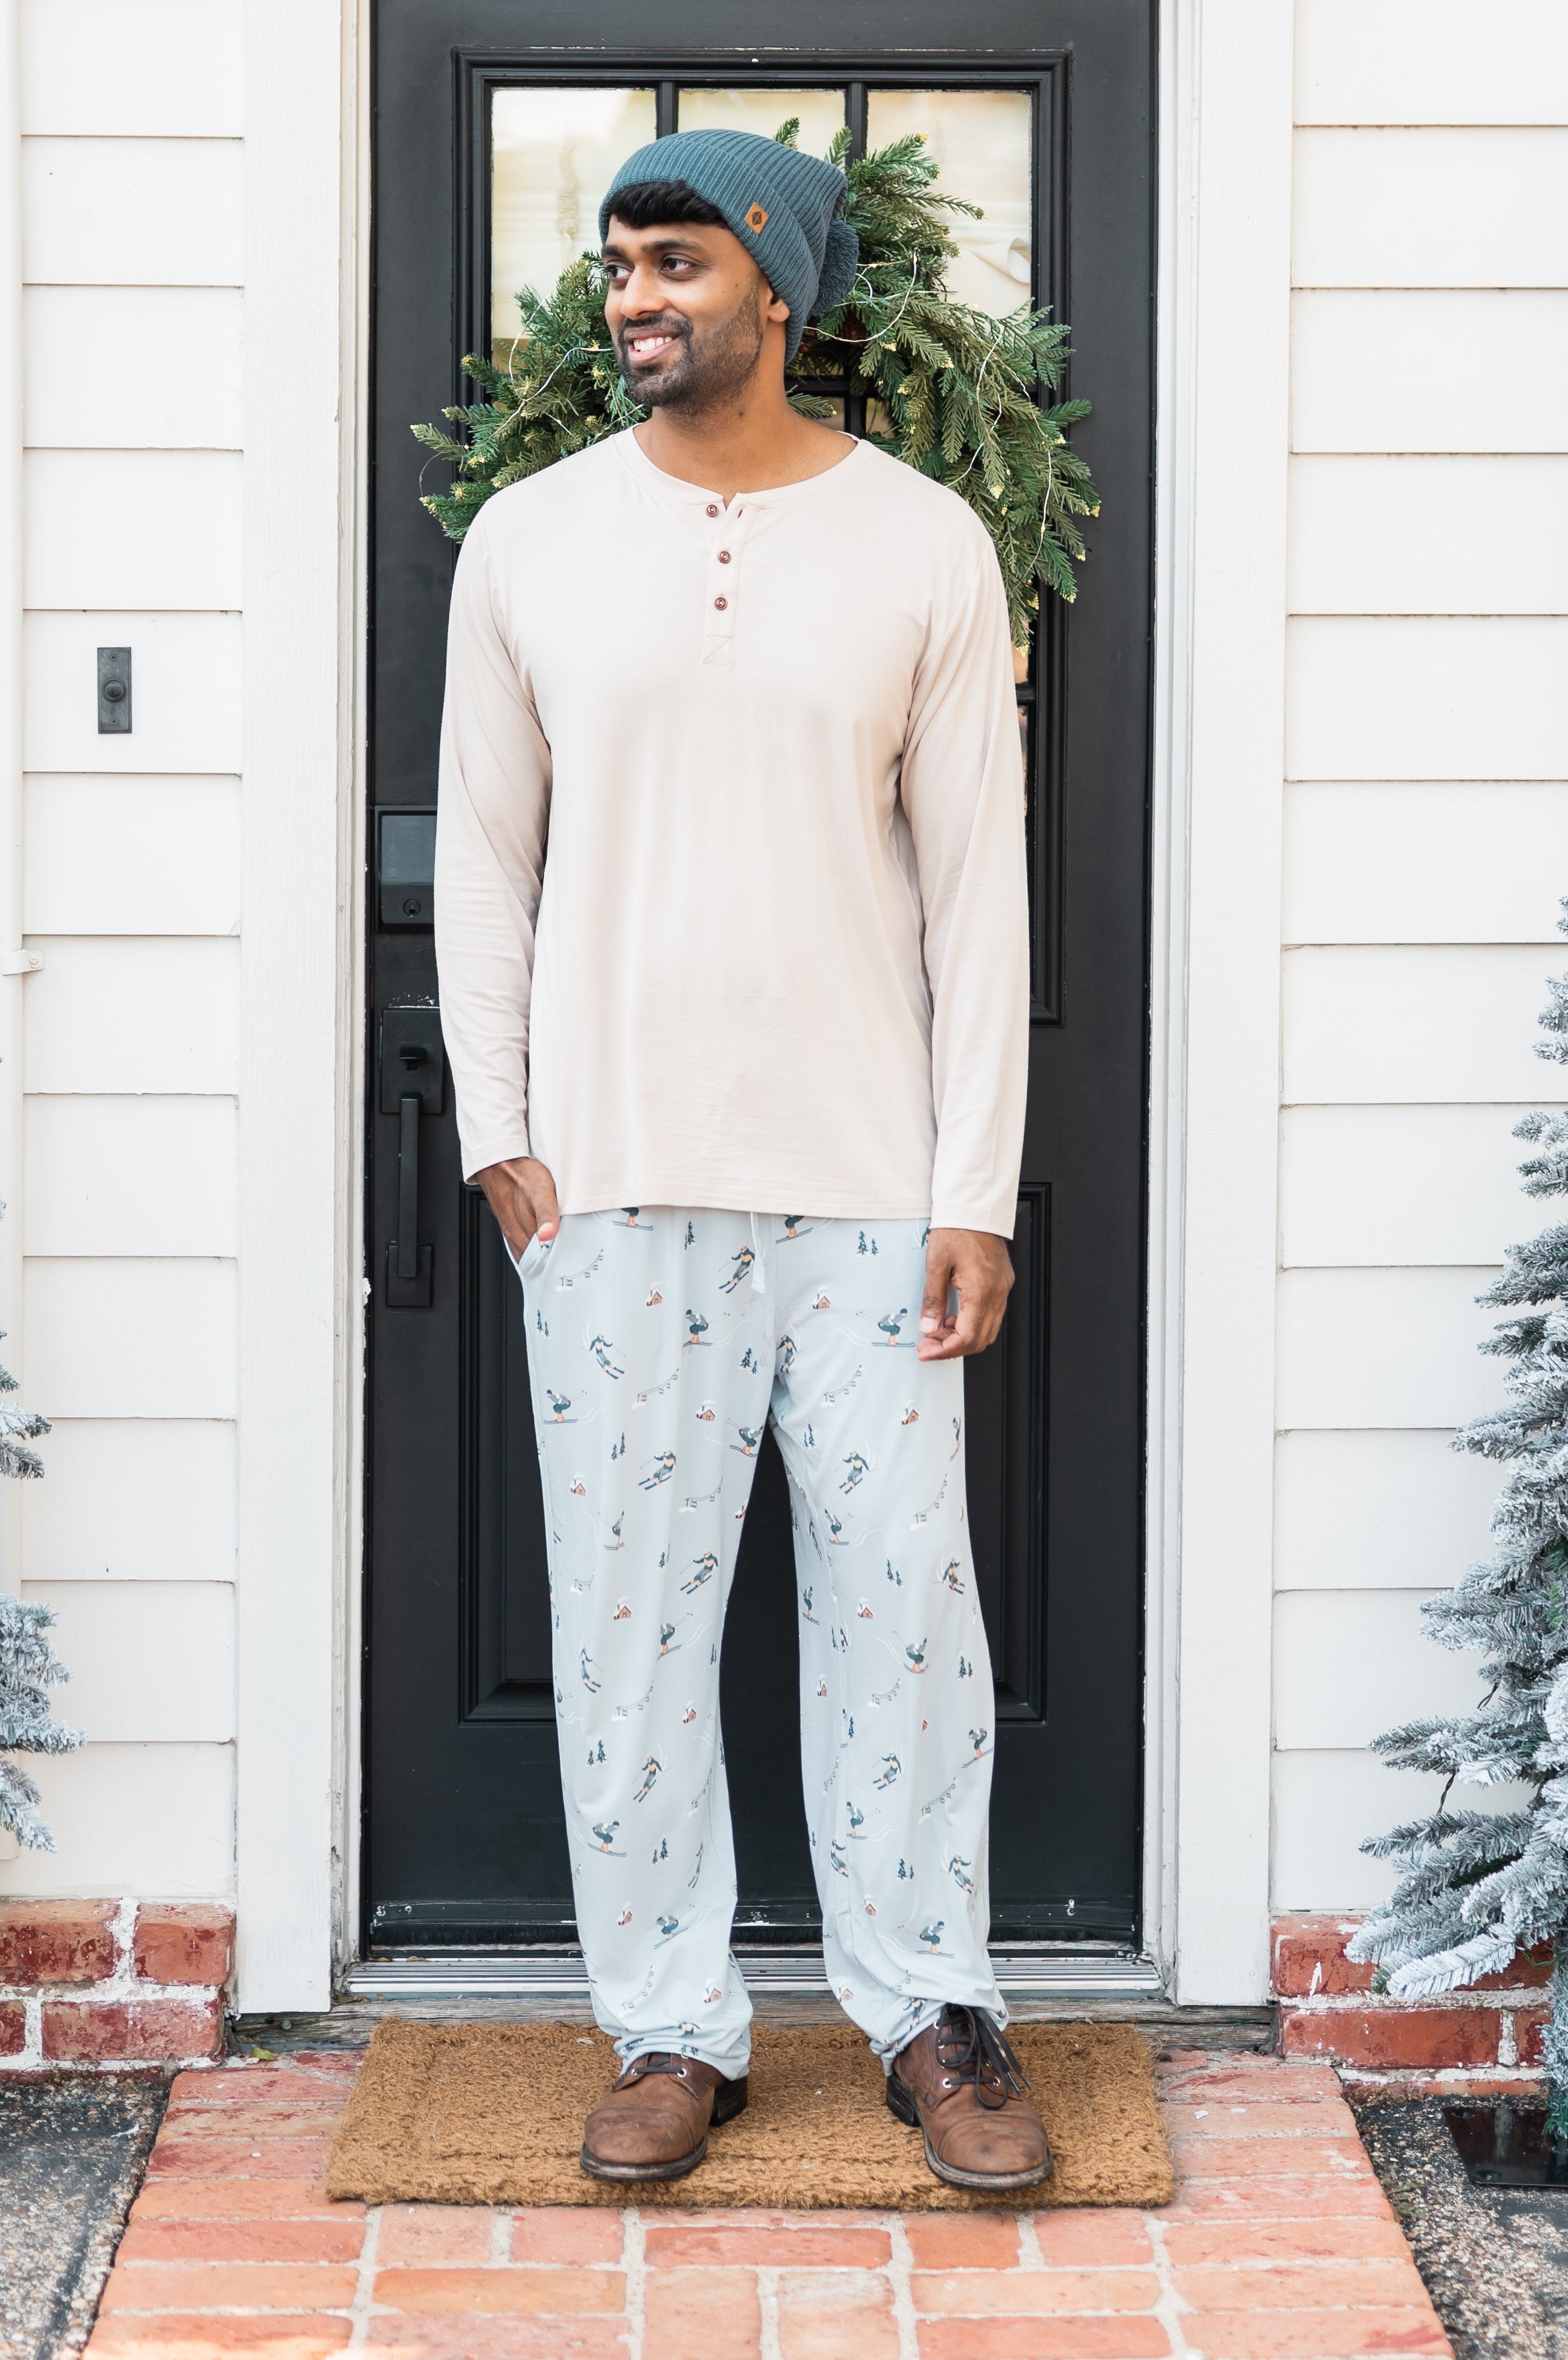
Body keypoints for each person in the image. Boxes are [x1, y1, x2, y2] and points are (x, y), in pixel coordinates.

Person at [434, 126, 1046, 2193]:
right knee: (625, 1624)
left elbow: (978, 896)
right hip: (607, 1182)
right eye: (619, 263)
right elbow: (484, 857)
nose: (634, 296)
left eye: (676, 262)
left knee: (905, 1617)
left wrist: (975, 1189)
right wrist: (502, 1131)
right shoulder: (527, 538)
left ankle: (930, 2009)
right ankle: (669, 2026)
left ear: (776, 285)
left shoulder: (923, 546)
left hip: (871, 1182)